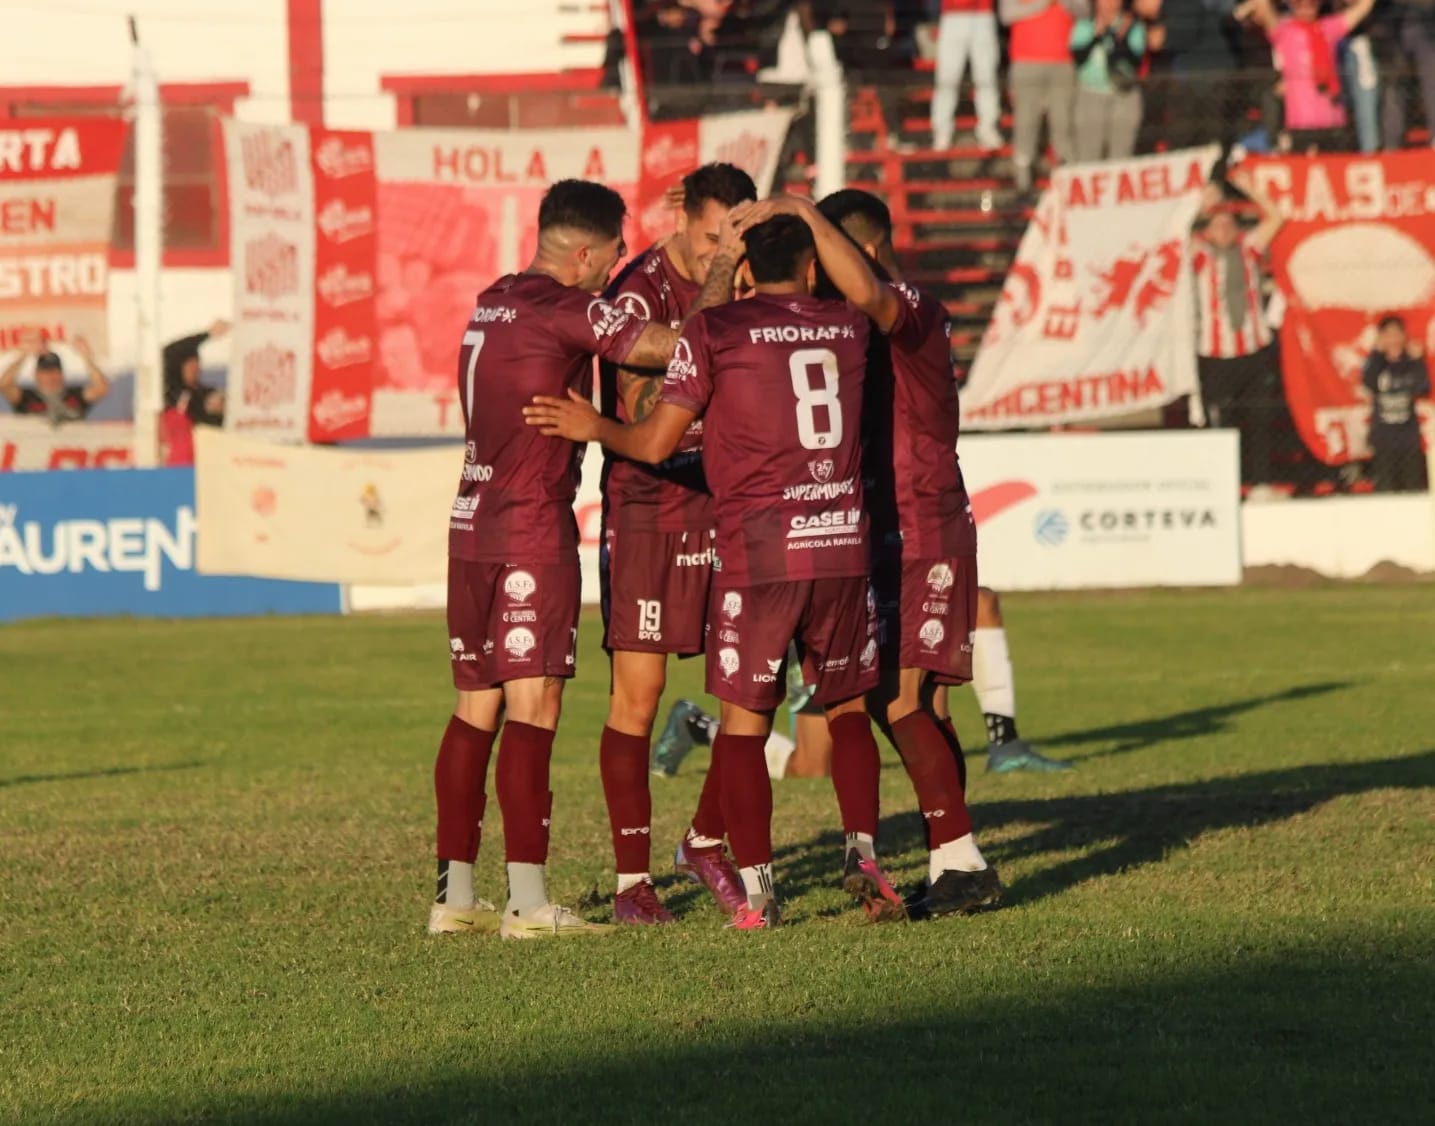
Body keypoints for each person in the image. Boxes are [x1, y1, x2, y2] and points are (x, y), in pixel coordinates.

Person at [526, 215, 885, 930]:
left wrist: (596, 428)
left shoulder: (717, 328)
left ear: (745, 266)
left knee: (745, 718)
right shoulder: (848, 323)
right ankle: (863, 854)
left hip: (753, 542)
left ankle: (750, 885)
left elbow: (655, 435)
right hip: (825, 539)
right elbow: (871, 293)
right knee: (839, 708)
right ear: (813, 267)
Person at [430, 178, 732, 941]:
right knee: (534, 708)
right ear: (585, 254)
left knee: (475, 709)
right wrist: (725, 268)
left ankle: (453, 896)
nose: (616, 268)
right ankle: (528, 905)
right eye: (612, 254)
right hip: (528, 529)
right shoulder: (564, 306)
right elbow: (676, 346)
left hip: (470, 522)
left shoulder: (493, 299)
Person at [595, 163, 756, 926]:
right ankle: (632, 883)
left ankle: (705, 839)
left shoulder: (751, 278)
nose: (721, 252)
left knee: (750, 688)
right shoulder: (636, 293)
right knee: (639, 695)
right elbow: (646, 411)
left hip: (728, 497)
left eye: (733, 238)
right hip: (649, 503)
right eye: (710, 237)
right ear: (681, 218)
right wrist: (722, 284)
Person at [1191, 169, 1285, 488]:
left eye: (1229, 224)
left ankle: (1261, 483)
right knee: (1221, 424)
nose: (1224, 229)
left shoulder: (1248, 248)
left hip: (1253, 350)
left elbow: (1276, 217)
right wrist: (1201, 204)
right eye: (1217, 225)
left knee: (1260, 422)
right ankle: (1222, 485)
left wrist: (1249, 189)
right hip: (1216, 355)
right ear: (1208, 230)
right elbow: (1172, 232)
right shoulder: (1200, 254)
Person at [1243, 0, 1377, 153]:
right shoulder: (1284, 31)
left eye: (1312, 4)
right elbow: (1262, 5)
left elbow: (1363, 8)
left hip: (1333, 120)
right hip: (1301, 122)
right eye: (1299, 3)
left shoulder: (1329, 28)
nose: (1306, 8)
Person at [1001, 0, 1083, 194]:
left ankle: (1068, 181)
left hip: (1062, 62)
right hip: (1026, 62)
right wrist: (1043, 4)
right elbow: (1007, 14)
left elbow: (1084, 10)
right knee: (1025, 124)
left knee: (1063, 125)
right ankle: (1022, 183)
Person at [1070, 0, 1165, 162]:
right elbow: (1078, 58)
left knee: (1121, 155)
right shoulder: (1085, 25)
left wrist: (1117, 37)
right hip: (1091, 95)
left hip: (1123, 95)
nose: (1109, 4)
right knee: (1088, 153)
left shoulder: (1132, 26)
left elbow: (1134, 61)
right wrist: (1097, 35)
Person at [1361, 315, 1430, 492]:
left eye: (1397, 333)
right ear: (1381, 337)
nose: (1393, 339)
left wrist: (1418, 361)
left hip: (1408, 436)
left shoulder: (1411, 361)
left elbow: (1423, 387)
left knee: (1413, 486)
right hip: (1383, 436)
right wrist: (1377, 354)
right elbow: (1368, 382)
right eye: (1388, 334)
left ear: (1404, 336)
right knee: (1385, 488)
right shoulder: (1376, 362)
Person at [930, 0, 1004, 153]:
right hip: (953, 15)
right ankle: (942, 130)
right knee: (947, 76)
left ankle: (988, 127)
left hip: (982, 14)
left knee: (986, 75)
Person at [1, 333, 109, 424]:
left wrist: (86, 357)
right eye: (45, 372)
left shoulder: (75, 395)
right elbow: (4, 384)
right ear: (36, 375)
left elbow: (101, 388)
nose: (50, 377)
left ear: (61, 374)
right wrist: (23, 354)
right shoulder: (25, 397)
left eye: (54, 371)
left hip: (69, 442)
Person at [163, 320, 230, 428]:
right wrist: (207, 334)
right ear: (179, 366)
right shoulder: (171, 393)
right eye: (191, 366)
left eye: (197, 364)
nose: (197, 369)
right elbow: (169, 352)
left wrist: (222, 403)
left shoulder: (204, 392)